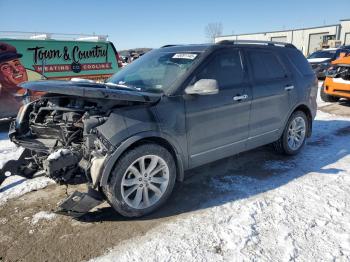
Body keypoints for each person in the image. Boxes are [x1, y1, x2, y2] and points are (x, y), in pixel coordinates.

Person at [0, 42, 29, 118]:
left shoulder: (40, 94)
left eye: (17, 64)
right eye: (5, 68)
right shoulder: (2, 102)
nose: (16, 70)